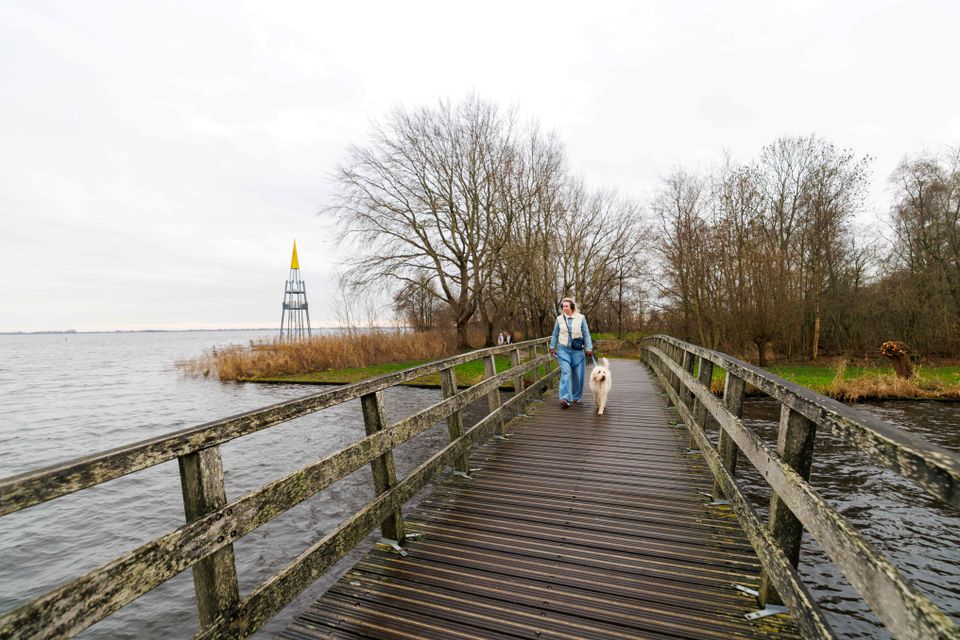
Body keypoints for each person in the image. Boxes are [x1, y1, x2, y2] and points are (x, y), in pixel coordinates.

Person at [549, 297, 593, 408]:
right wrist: (552, 347)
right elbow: (555, 334)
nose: (564, 308)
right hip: (563, 349)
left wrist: (589, 348)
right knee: (566, 372)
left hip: (577, 350)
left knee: (578, 374)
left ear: (572, 306)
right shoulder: (559, 319)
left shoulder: (581, 318)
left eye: (566, 306)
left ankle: (576, 397)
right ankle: (565, 398)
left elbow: (586, 334)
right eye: (563, 306)